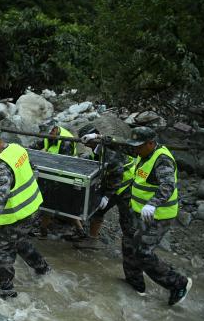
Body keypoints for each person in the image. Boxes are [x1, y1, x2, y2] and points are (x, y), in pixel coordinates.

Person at [0, 127, 50, 299]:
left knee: (1, 251)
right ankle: (43, 269)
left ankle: (7, 292)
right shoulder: (17, 148)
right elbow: (31, 168)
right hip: (33, 208)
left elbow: (1, 196)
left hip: (16, 215)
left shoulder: (2, 166)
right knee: (20, 241)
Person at [123, 126, 191, 305]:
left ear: (151, 143)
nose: (135, 149)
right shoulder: (143, 151)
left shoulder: (162, 159)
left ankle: (178, 283)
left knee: (143, 253)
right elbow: (122, 146)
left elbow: (168, 186)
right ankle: (135, 286)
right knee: (129, 244)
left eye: (139, 145)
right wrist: (99, 138)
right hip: (138, 211)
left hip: (159, 215)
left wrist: (152, 205)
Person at [73, 124, 136, 250]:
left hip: (125, 186)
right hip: (117, 183)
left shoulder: (108, 152)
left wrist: (107, 196)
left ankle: (133, 247)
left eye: (88, 142)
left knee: (126, 219)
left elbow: (117, 174)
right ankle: (93, 240)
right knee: (98, 211)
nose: (86, 145)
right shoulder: (99, 147)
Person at [32, 118, 83, 239]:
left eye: (49, 133)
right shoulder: (49, 135)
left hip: (66, 172)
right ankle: (80, 230)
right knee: (62, 202)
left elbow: (63, 162)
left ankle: (43, 231)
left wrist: (44, 155)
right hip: (54, 171)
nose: (47, 136)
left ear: (55, 129)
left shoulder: (65, 141)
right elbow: (35, 145)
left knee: (50, 201)